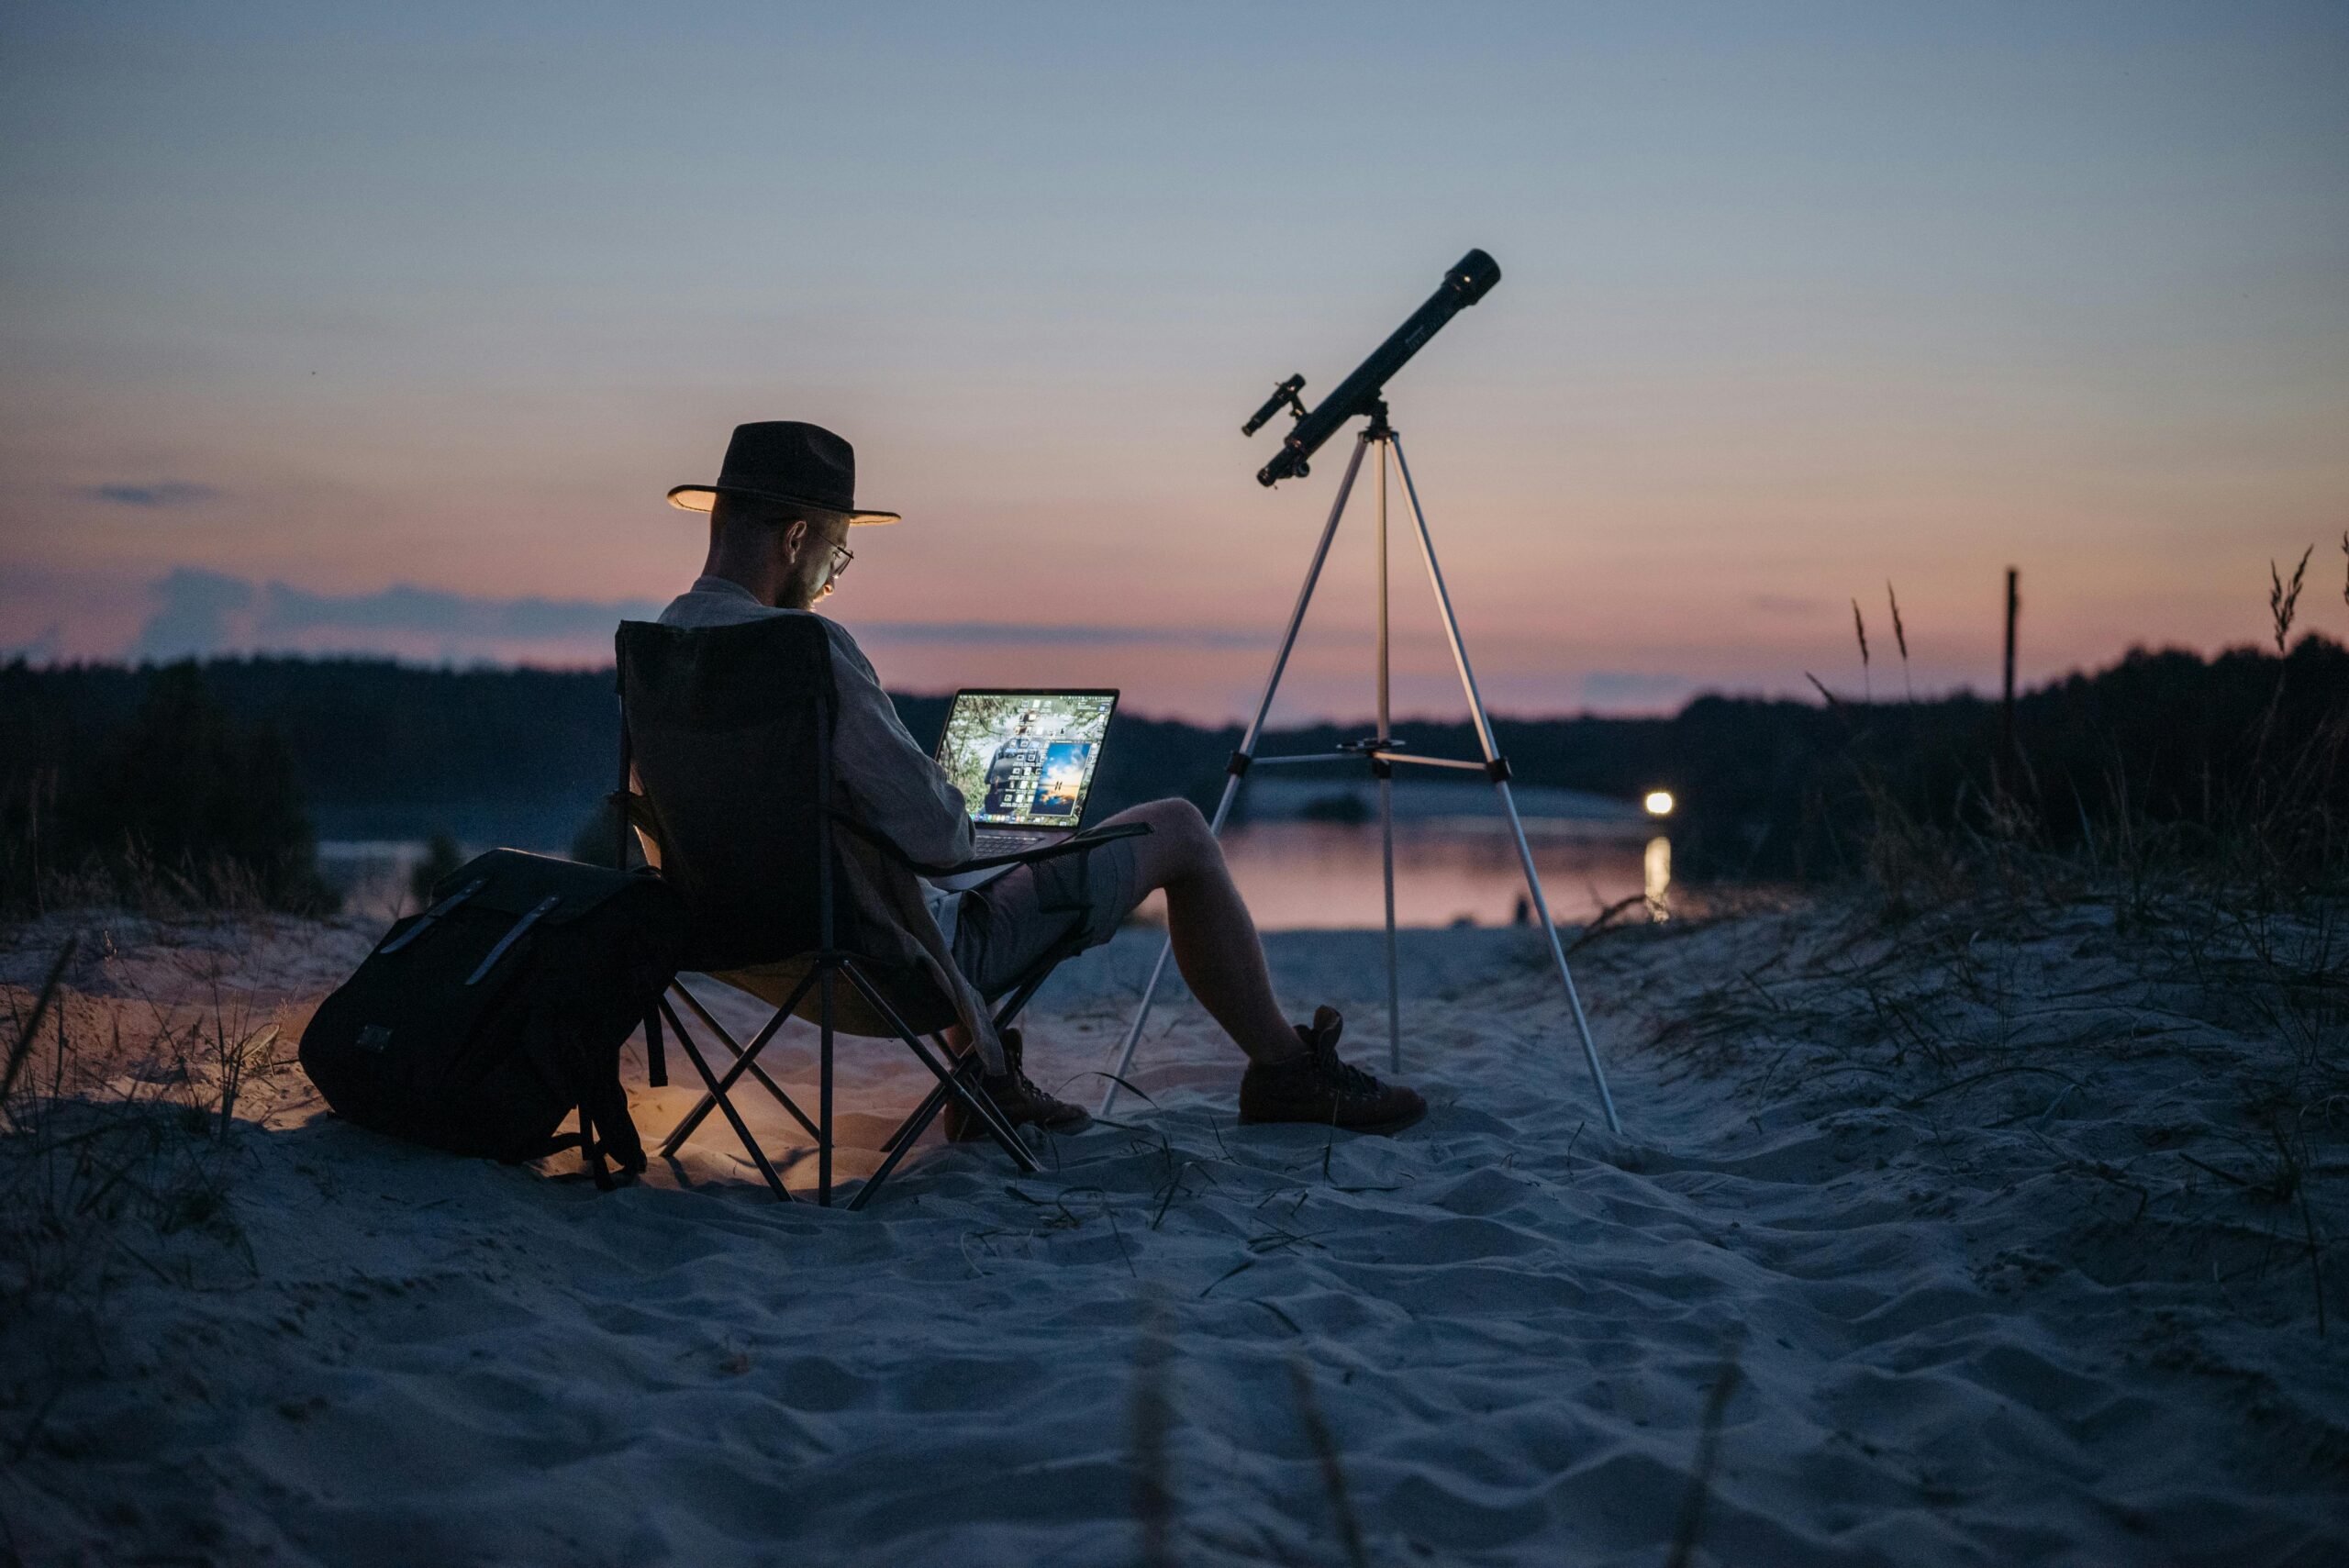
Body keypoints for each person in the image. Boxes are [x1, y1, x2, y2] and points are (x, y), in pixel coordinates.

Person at [653, 421, 1426, 1140]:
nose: (831, 582)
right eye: (836, 554)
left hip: (743, 948)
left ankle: (985, 1078)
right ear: (796, 538)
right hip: (888, 966)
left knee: (944, 878)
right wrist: (957, 814)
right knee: (1183, 829)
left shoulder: (656, 653)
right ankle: (1288, 1071)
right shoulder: (808, 651)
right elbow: (941, 837)